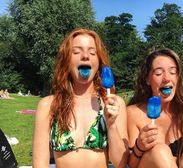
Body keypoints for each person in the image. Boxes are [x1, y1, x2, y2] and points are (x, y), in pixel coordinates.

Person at [32, 28, 129, 168]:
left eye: (92, 52)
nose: (85, 56)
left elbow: (120, 162)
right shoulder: (48, 105)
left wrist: (111, 125)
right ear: (66, 61)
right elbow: (40, 163)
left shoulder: (113, 103)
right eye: (76, 51)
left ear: (98, 61)